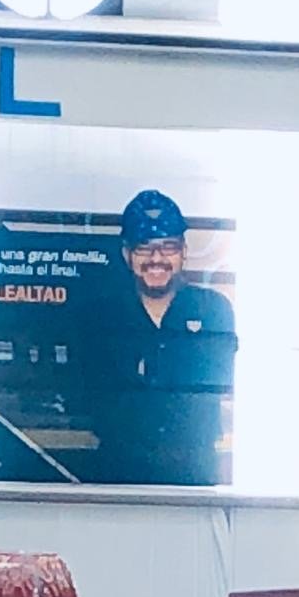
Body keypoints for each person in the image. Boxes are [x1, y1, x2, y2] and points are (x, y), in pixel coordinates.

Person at [87, 190, 237, 485]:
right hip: (117, 472)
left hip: (194, 471)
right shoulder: (101, 315)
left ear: (184, 251)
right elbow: (89, 394)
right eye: (145, 247)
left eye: (168, 247)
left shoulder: (213, 310)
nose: (157, 259)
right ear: (127, 254)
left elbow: (217, 380)